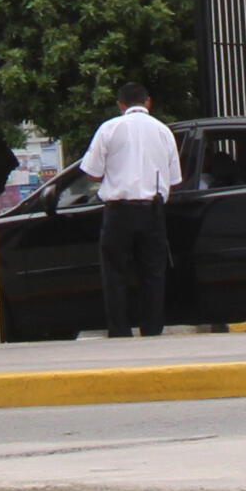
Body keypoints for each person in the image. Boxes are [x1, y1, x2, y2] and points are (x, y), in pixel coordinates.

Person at [79, 80, 182, 338]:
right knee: (153, 273)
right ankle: (152, 328)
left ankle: (119, 329)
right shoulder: (163, 131)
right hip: (152, 210)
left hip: (118, 210)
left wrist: (116, 174)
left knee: (114, 272)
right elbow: (174, 179)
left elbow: (92, 173)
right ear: (148, 102)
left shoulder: (109, 129)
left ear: (121, 104)